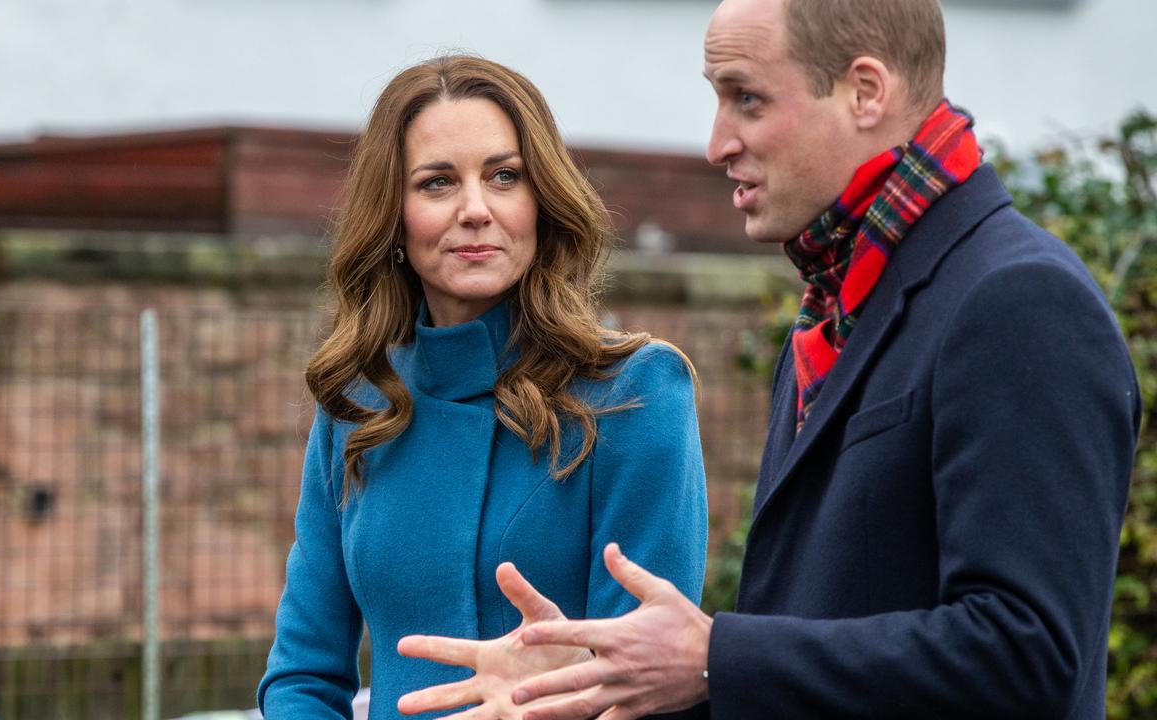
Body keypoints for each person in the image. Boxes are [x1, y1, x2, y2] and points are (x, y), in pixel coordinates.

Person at [405, 0, 1141, 717]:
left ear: (864, 92)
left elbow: (1030, 657)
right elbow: (813, 643)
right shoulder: (837, 304)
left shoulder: (1020, 300)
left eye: (747, 99)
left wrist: (711, 657)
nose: (717, 143)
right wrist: (604, 677)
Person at [256, 54, 708, 720]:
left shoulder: (636, 395)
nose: (475, 209)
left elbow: (645, 688)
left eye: (504, 176)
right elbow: (302, 675)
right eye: (437, 183)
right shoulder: (357, 407)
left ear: (541, 201)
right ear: (394, 218)